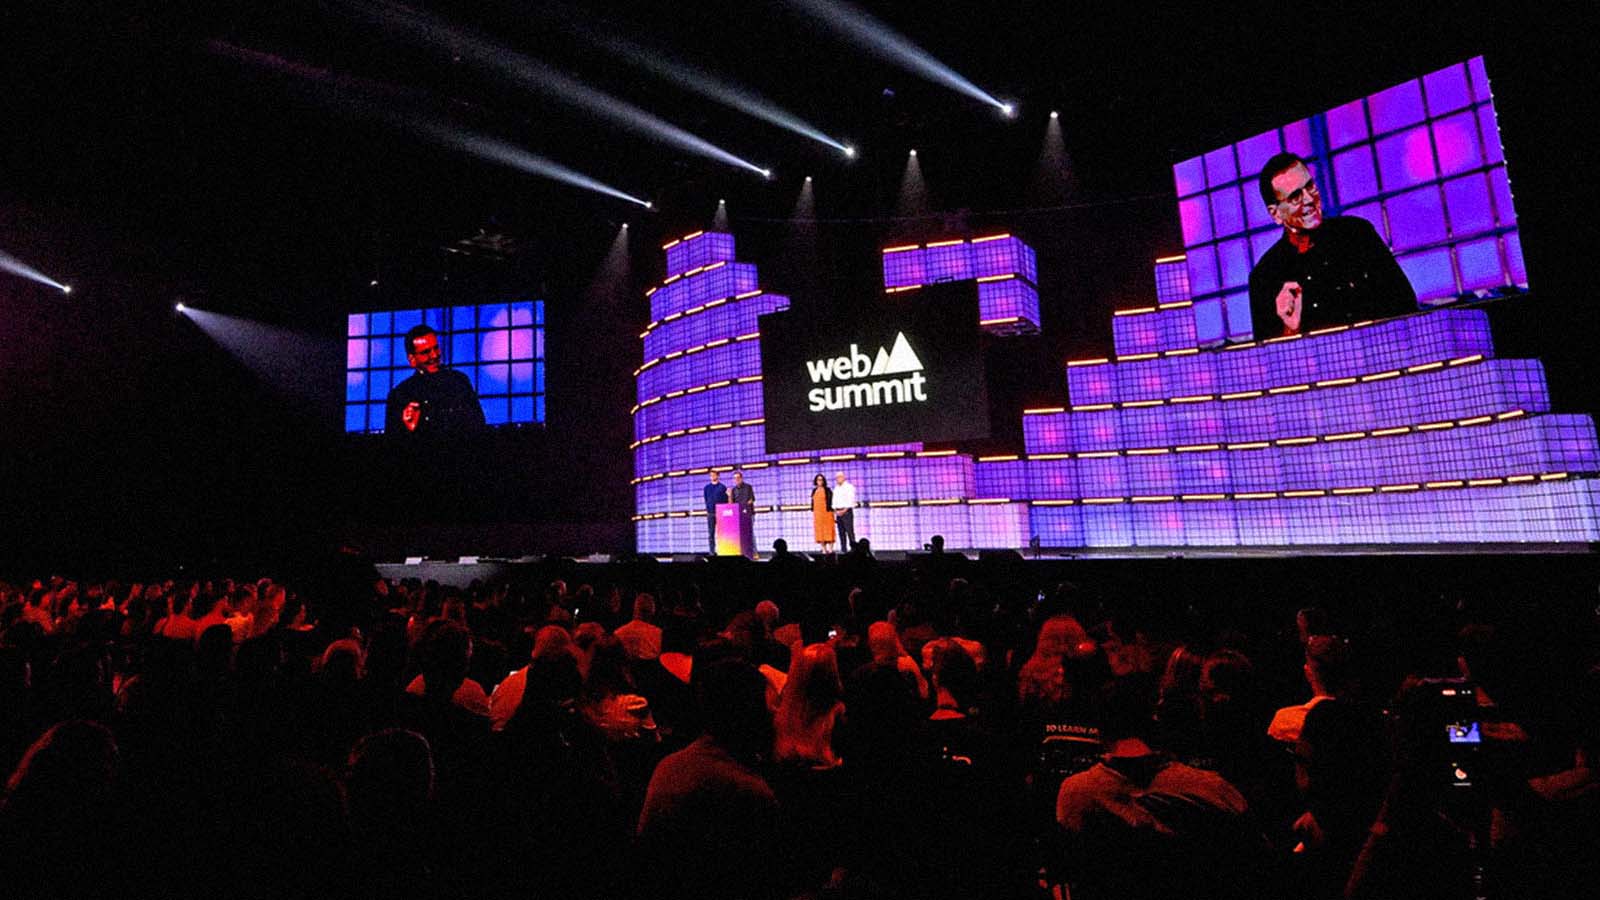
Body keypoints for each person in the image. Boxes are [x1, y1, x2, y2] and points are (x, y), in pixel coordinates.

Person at [1247, 153, 1417, 338]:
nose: (1309, 199)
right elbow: (1270, 358)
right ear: (1276, 214)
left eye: (1310, 186)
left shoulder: (1358, 234)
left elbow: (1406, 304)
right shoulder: (1264, 277)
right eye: (1295, 197)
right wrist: (1290, 329)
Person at [384, 324, 486, 435]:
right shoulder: (400, 395)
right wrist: (408, 428)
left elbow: (479, 424)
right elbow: (392, 442)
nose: (434, 355)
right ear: (412, 359)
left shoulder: (459, 381)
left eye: (436, 348)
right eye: (426, 352)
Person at [703, 471, 729, 554]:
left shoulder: (723, 487)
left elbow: (726, 501)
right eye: (711, 475)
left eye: (714, 475)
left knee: (722, 534)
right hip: (710, 514)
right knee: (711, 534)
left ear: (718, 476)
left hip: (720, 514)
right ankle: (712, 552)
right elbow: (706, 500)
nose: (712, 477)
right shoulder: (706, 488)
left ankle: (722, 550)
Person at [832, 471, 858, 553]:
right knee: (841, 532)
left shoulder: (849, 487)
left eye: (839, 477)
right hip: (838, 512)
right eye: (836, 477)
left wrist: (844, 510)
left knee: (849, 531)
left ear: (844, 477)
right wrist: (835, 511)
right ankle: (844, 550)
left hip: (846, 512)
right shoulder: (836, 488)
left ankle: (854, 550)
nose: (838, 479)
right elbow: (834, 501)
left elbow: (851, 500)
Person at [810, 474, 835, 554]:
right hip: (818, 514)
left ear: (824, 481)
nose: (820, 481)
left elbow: (831, 501)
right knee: (820, 532)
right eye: (818, 480)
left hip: (827, 513)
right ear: (816, 481)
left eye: (821, 480)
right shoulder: (814, 490)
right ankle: (823, 549)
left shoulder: (828, 490)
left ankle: (830, 550)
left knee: (829, 530)